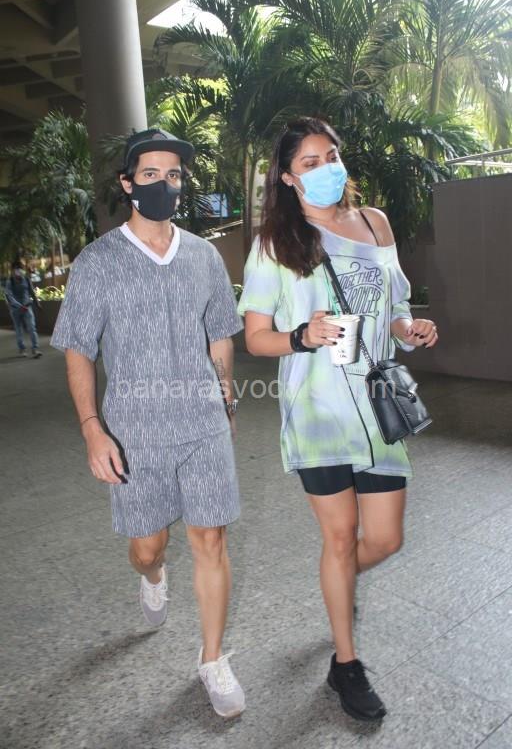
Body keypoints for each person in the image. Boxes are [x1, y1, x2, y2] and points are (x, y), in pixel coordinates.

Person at [238, 117, 439, 722]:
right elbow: (256, 338)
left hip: (376, 409)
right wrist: (303, 334)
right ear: (286, 178)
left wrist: (408, 327)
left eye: (331, 156)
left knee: (385, 538)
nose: (326, 168)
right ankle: (345, 664)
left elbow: (395, 302)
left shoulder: (375, 222)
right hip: (317, 410)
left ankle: (337, 585)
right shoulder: (275, 244)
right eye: (309, 162)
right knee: (340, 537)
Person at [51, 128, 246, 719]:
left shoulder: (204, 256)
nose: (165, 184)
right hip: (134, 432)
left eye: (175, 175)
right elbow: (78, 348)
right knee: (147, 546)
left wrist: (226, 399)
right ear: (128, 183)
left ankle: (212, 659)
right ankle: (153, 574)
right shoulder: (98, 261)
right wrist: (92, 428)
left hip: (203, 423)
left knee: (211, 540)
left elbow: (220, 332)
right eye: (152, 174)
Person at [4, 260, 43, 358]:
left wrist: (37, 304)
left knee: (32, 327)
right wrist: (18, 306)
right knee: (19, 329)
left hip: (27, 307)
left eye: (20, 268)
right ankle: (22, 349)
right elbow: (9, 296)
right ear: (13, 270)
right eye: (16, 269)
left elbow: (32, 292)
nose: (19, 270)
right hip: (15, 309)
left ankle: (35, 348)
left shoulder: (26, 279)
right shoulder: (10, 282)